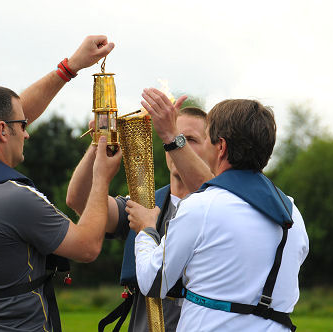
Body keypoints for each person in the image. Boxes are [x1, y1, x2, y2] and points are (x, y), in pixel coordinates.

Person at [0, 35, 121, 332]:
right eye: (23, 126)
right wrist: (101, 177)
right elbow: (87, 247)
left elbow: (8, 114)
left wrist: (70, 67)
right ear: (3, 131)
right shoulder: (13, 199)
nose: (27, 133)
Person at [129, 98, 309, 331]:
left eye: (207, 141)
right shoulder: (293, 211)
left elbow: (153, 282)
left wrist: (146, 230)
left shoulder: (201, 206)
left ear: (221, 147)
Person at [66, 90, 213, 331]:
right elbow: (79, 201)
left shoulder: (221, 206)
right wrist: (99, 142)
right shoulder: (145, 202)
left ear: (213, 149)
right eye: (173, 137)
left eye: (189, 139)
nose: (177, 145)